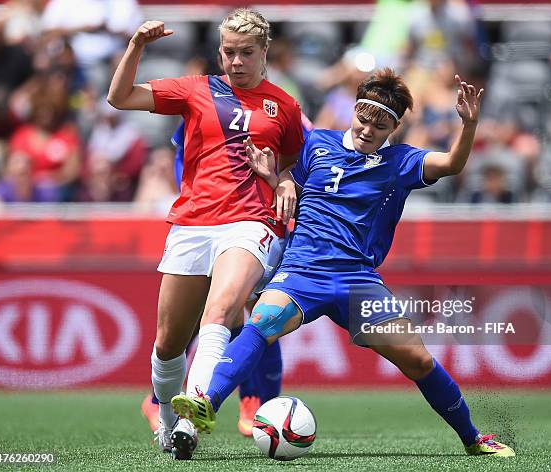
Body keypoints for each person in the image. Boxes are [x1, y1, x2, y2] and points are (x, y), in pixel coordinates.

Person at [171, 68, 515, 457]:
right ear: (354, 111)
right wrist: (277, 179)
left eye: (380, 125)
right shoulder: (317, 143)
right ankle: (204, 405)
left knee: (418, 360)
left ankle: (473, 438)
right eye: (364, 118)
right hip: (302, 272)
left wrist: (467, 125)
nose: (368, 129)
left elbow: (452, 163)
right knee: (262, 322)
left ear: (394, 128)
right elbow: (290, 180)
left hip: (356, 280)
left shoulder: (401, 162)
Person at [107, 9, 304, 460]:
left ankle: (197, 412)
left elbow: (292, 164)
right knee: (167, 344)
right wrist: (137, 44)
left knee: (220, 311)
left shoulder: (285, 106)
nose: (236, 61)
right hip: (193, 224)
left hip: (252, 221)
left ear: (264, 52)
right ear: (220, 51)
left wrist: (287, 181)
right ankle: (170, 423)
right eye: (229, 52)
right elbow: (119, 97)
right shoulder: (196, 90)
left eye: (246, 53)